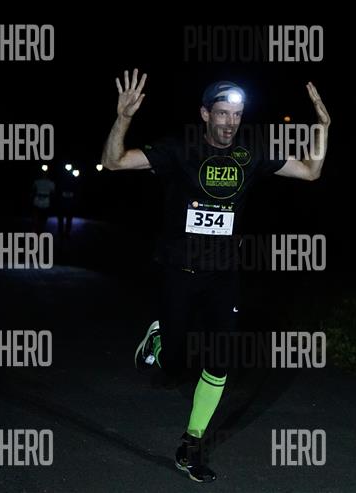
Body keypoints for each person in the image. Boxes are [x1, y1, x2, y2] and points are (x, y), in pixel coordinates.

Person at [101, 68, 330, 482]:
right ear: (205, 114)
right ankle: (159, 338)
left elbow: (311, 170)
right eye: (222, 113)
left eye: (237, 114)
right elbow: (113, 162)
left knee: (220, 360)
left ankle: (191, 445)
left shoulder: (251, 152)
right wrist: (124, 117)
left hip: (223, 275)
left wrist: (323, 127)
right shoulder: (180, 149)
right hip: (179, 270)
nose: (229, 122)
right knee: (173, 364)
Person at [31, 169, 55, 234]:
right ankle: (35, 229)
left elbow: (52, 192)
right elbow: (33, 190)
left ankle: (41, 229)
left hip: (45, 201)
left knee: (43, 216)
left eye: (45, 173)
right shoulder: (37, 181)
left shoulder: (50, 183)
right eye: (43, 173)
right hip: (38, 200)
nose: (44, 175)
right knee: (37, 215)